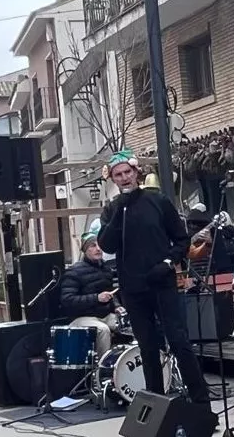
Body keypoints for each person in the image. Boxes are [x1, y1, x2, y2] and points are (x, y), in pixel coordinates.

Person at [96, 150, 208, 406]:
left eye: (127, 172)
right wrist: (117, 214)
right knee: (148, 348)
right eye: (118, 175)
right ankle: (157, 405)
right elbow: (107, 245)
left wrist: (168, 262)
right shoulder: (112, 209)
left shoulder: (157, 200)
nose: (124, 178)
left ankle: (201, 403)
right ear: (113, 179)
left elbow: (182, 238)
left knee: (179, 341)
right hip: (133, 287)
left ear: (136, 173)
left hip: (161, 282)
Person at [59, 233, 121, 355]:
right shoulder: (74, 272)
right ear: (85, 249)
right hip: (82, 317)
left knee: (130, 324)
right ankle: (102, 368)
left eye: (99, 245)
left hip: (105, 315)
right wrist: (96, 298)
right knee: (103, 330)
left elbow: (110, 293)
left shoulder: (106, 269)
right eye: (93, 246)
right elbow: (67, 299)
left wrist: (117, 306)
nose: (98, 249)